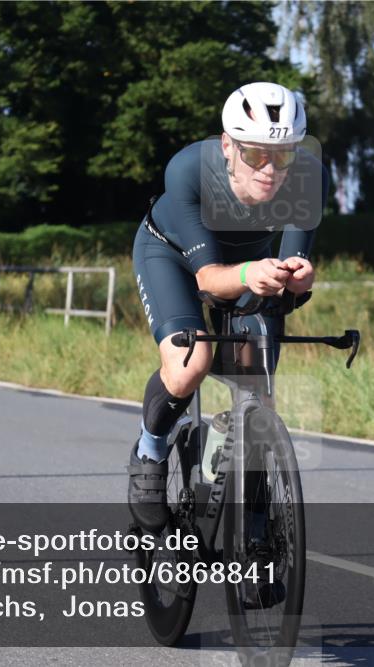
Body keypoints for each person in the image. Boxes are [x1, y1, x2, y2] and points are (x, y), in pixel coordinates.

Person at [127, 82, 328, 536]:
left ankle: (255, 527)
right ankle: (150, 449)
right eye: (256, 155)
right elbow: (208, 279)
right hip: (173, 259)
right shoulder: (188, 171)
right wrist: (248, 275)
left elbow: (290, 270)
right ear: (227, 145)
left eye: (284, 155)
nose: (270, 169)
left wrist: (298, 279)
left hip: (248, 266)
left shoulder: (310, 176)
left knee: (258, 390)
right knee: (189, 365)